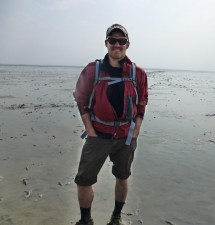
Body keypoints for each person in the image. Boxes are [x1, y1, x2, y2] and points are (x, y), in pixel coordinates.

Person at [73, 24, 148, 225]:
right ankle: (86, 220)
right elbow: (80, 99)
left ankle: (116, 218)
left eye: (121, 41)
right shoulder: (92, 70)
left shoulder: (138, 73)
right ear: (106, 43)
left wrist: (136, 129)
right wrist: (90, 130)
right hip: (98, 134)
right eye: (112, 40)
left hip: (126, 137)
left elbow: (142, 102)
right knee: (84, 180)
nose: (117, 44)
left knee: (122, 177)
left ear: (127, 44)